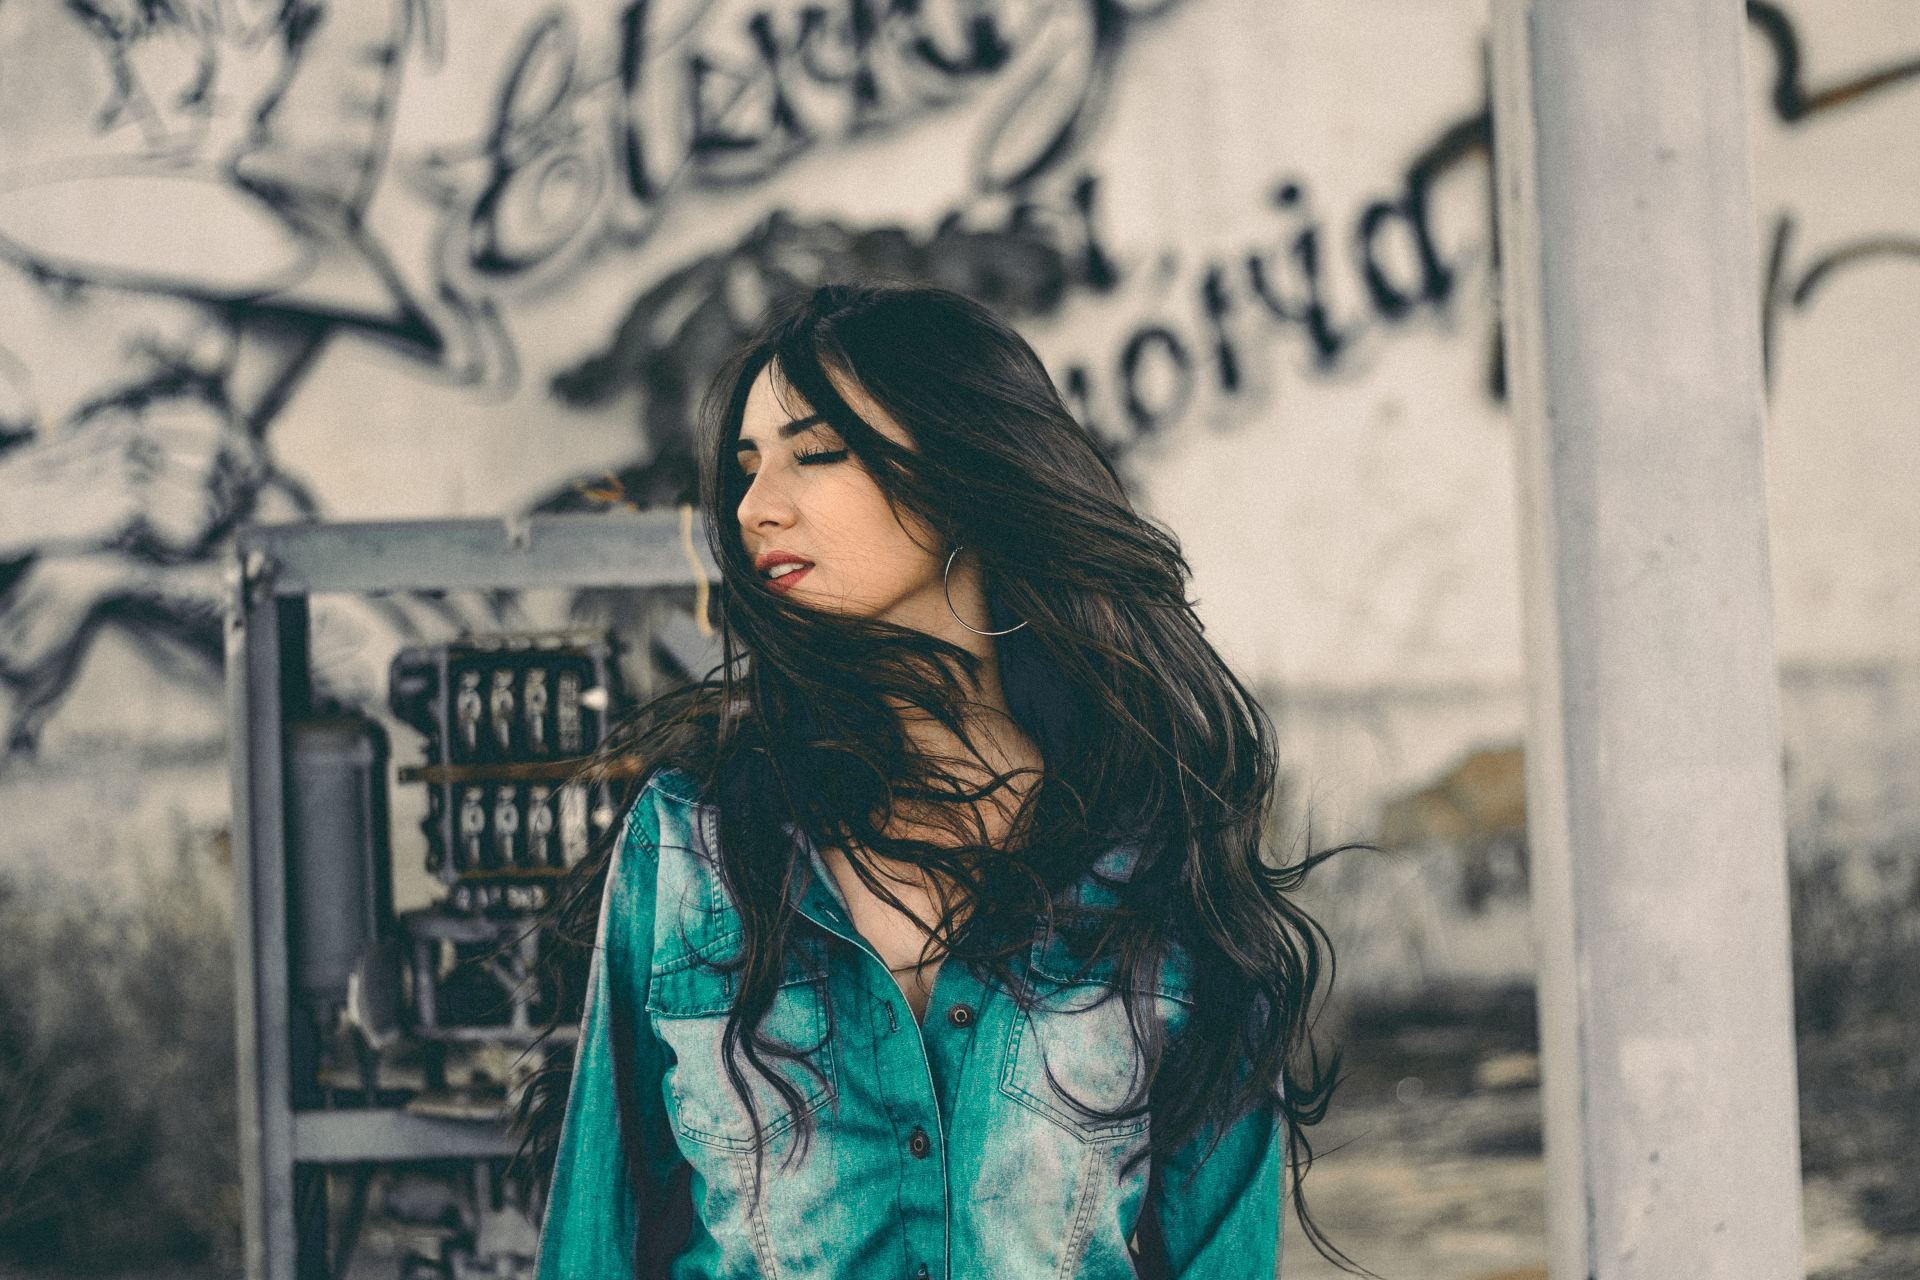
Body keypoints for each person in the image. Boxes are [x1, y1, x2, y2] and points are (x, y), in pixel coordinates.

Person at [513, 281, 1364, 1278]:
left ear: (960, 471)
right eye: (746, 467)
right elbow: (594, 1248)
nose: (755, 506)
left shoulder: (1151, 860)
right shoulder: (690, 850)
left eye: (817, 454)